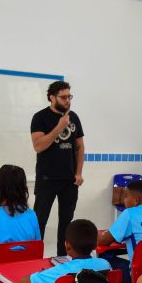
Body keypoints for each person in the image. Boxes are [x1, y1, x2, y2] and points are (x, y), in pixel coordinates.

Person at [30, 81, 85, 256]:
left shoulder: (74, 117)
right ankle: (34, 258)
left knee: (66, 224)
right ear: (51, 97)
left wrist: (79, 173)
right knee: (39, 222)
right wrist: (59, 127)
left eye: (69, 96)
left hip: (69, 180)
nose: (67, 100)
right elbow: (38, 146)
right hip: (46, 179)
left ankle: (63, 259)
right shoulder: (40, 117)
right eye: (63, 97)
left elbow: (79, 147)